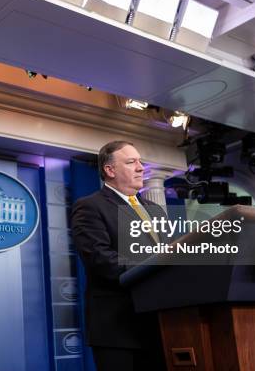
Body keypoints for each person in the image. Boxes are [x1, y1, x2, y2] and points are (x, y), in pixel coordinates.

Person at [71, 140, 167, 371]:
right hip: (117, 329)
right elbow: (100, 259)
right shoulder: (90, 206)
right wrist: (154, 272)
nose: (141, 167)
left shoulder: (155, 210)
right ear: (110, 170)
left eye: (141, 162)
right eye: (131, 162)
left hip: (159, 324)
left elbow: (168, 255)